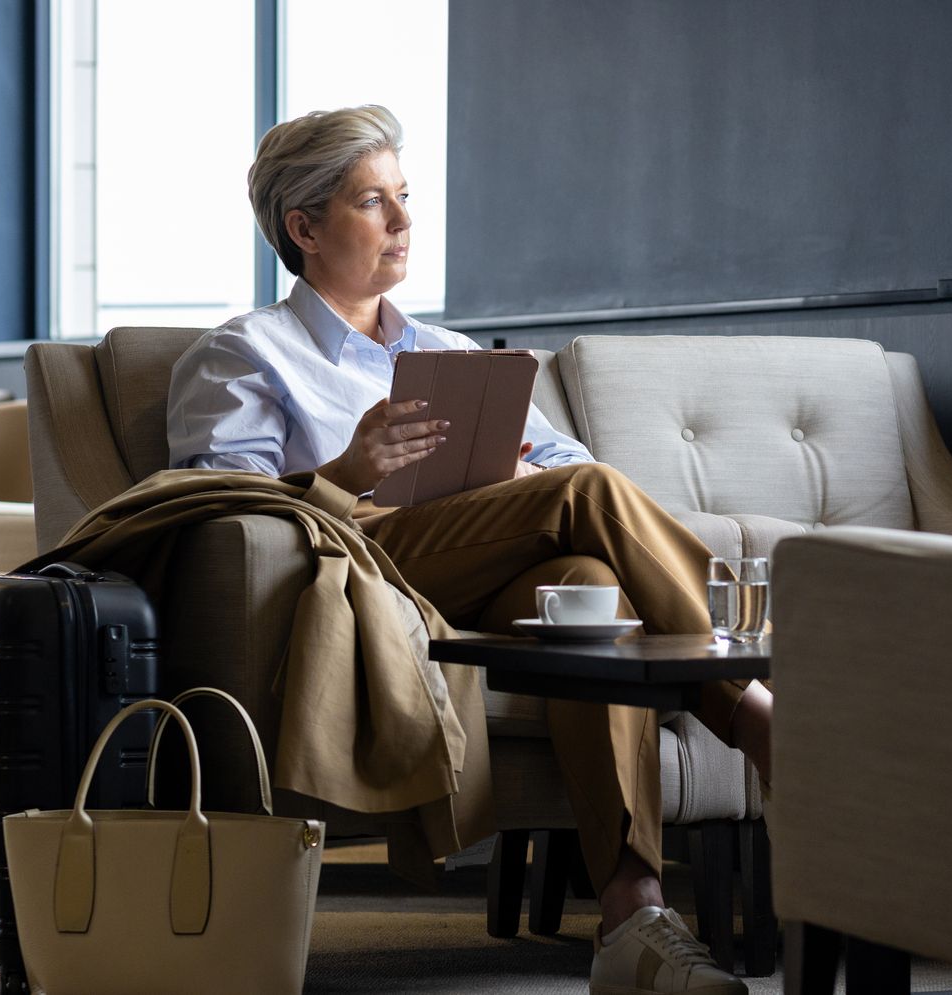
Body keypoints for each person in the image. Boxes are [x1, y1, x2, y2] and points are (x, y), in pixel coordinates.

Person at [167, 105, 775, 995]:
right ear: (303, 228)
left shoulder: (449, 354)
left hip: (477, 566)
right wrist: (348, 468)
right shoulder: (245, 353)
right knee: (589, 501)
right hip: (354, 569)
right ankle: (762, 716)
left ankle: (632, 915)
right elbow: (220, 513)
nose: (405, 222)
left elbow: (572, 466)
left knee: (588, 580)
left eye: (404, 197)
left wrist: (522, 464)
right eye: (374, 203)